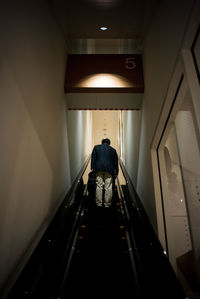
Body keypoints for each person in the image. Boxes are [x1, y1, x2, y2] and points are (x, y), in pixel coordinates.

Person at [91, 138, 119, 208]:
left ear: (102, 142)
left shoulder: (96, 147)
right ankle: (107, 204)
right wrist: (116, 172)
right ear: (109, 143)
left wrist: (92, 167)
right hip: (109, 170)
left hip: (98, 169)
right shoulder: (113, 150)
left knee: (99, 186)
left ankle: (99, 203)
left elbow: (93, 157)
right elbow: (116, 162)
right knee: (108, 187)